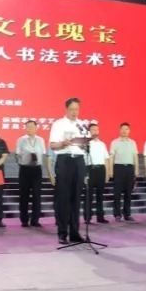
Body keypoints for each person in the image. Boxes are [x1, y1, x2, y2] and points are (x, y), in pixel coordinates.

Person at [48, 98, 88, 243]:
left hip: (79, 161)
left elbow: (86, 145)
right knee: (63, 198)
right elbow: (52, 145)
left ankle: (75, 233)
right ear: (66, 109)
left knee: (76, 198)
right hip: (64, 160)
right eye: (72, 109)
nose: (74, 112)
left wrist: (85, 145)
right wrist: (63, 143)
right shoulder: (58, 124)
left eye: (76, 109)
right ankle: (62, 233)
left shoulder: (82, 125)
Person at [15, 120, 46, 228]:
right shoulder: (21, 140)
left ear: (36, 128)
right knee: (24, 195)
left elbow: (43, 154)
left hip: (37, 169)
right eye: (27, 127)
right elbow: (17, 155)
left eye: (32, 127)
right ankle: (24, 220)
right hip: (25, 169)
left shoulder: (40, 140)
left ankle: (35, 220)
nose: (29, 129)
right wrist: (23, 162)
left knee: (37, 195)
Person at [109, 123, 139, 221]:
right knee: (117, 193)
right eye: (123, 129)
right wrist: (110, 170)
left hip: (129, 168)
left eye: (126, 129)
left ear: (129, 131)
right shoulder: (114, 142)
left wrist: (136, 169)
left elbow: (135, 157)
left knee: (128, 193)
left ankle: (127, 214)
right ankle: (117, 214)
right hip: (118, 168)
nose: (124, 131)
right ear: (120, 130)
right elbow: (111, 157)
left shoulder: (132, 143)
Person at [85, 122, 110, 224]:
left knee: (100, 195)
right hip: (90, 169)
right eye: (93, 130)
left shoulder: (102, 144)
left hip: (101, 170)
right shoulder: (86, 144)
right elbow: (83, 159)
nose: (95, 131)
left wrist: (107, 173)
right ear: (89, 131)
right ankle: (88, 217)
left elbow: (106, 159)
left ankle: (100, 217)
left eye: (97, 130)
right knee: (89, 196)